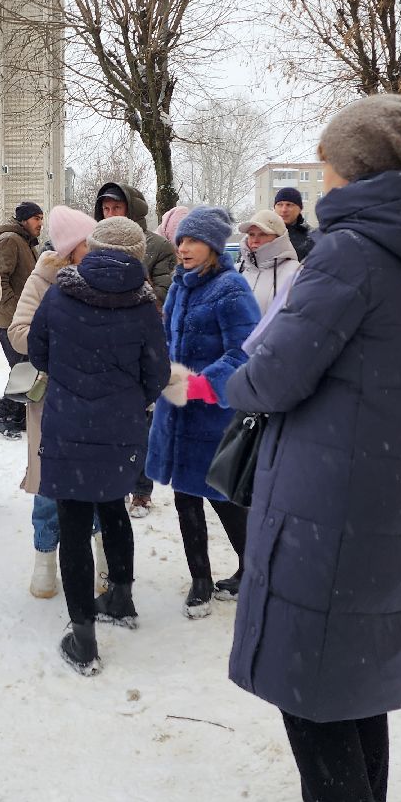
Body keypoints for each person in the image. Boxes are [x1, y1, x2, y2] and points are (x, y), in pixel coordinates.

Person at [222, 94, 401, 802]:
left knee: (312, 688)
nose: (322, 178)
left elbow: (275, 374)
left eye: (327, 164)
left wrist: (237, 383)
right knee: (354, 681)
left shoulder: (353, 249)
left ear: (351, 170)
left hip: (328, 498)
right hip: (392, 487)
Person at [27, 216, 170, 674]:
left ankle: (83, 637)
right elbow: (157, 375)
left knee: (72, 522)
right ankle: (122, 599)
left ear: (93, 246)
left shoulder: (61, 292)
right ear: (136, 254)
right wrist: (127, 403)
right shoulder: (145, 304)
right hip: (120, 427)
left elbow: (38, 352)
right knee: (113, 509)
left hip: (67, 424)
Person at [146, 206, 262, 617]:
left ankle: (253, 571)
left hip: (213, 416)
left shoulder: (231, 289)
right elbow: (165, 340)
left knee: (223, 498)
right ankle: (200, 579)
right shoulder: (179, 286)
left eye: (193, 240)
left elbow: (246, 352)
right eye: (180, 240)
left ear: (213, 245)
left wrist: (201, 385)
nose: (183, 248)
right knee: (185, 498)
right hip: (176, 414)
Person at [7, 205, 100, 599]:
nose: (94, 249)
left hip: (94, 396)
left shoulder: (103, 275)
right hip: (52, 395)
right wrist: (65, 341)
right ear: (70, 247)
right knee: (48, 484)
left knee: (96, 481)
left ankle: (103, 556)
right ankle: (45, 560)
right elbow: (18, 333)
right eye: (87, 243)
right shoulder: (42, 278)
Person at [94, 181, 174, 516]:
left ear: (132, 210)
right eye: (106, 209)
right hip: (102, 343)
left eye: (117, 208)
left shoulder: (157, 246)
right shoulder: (94, 243)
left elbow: (164, 293)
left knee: (140, 420)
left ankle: (141, 489)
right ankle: (111, 484)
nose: (110, 214)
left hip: (142, 344)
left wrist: (129, 284)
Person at [0, 201, 43, 439]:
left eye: (41, 218)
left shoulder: (27, 243)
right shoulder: (10, 240)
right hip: (10, 320)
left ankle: (16, 414)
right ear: (24, 220)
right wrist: (16, 309)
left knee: (26, 366)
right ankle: (4, 416)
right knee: (20, 368)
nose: (40, 223)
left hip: (23, 320)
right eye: (36, 218)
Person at [235, 208, 302, 314]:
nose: (255, 240)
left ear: (279, 238)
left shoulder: (296, 273)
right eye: (251, 234)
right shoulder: (236, 271)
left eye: (263, 234)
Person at [273, 187, 315, 262]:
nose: (284, 210)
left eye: (289, 205)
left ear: (300, 208)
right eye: (280, 204)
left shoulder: (311, 238)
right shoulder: (264, 233)